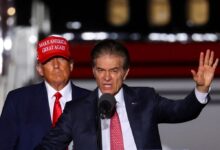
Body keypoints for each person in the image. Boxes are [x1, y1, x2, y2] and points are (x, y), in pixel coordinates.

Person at [35, 40, 219, 150]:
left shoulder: (146, 99)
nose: (106, 77)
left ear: (126, 72)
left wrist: (201, 89)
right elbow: (48, 147)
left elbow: (182, 111)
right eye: (101, 70)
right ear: (93, 71)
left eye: (114, 70)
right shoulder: (76, 111)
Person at [0, 35, 90, 150]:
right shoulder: (18, 101)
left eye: (61, 58)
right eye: (49, 60)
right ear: (39, 69)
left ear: (71, 65)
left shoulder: (91, 100)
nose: (56, 65)